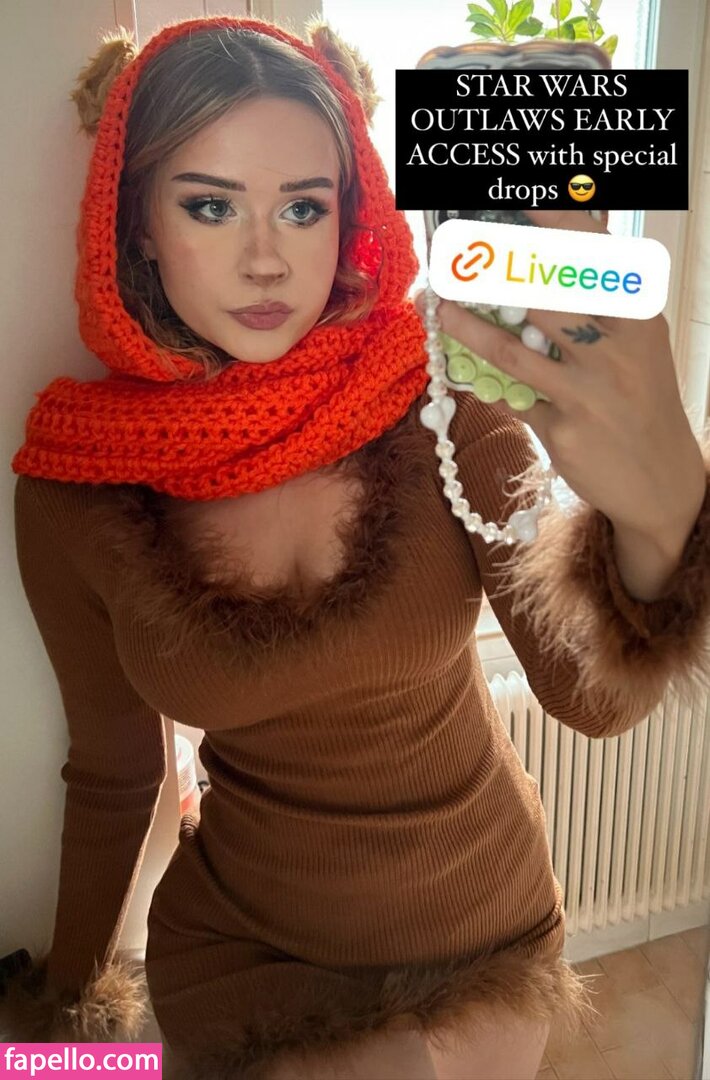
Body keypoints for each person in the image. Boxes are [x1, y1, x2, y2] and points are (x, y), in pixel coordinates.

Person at [5, 13, 710, 1080]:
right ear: (135, 223)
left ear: (351, 214)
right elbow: (112, 773)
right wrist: (58, 1021)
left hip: (477, 935)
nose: (264, 260)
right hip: (239, 955)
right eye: (209, 205)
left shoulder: (437, 399)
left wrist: (662, 521)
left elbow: (590, 700)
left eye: (304, 206)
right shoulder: (77, 487)